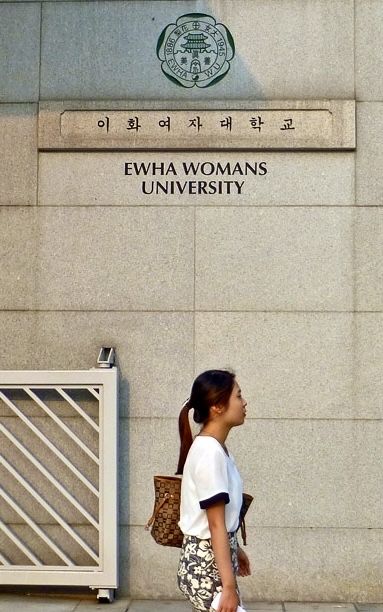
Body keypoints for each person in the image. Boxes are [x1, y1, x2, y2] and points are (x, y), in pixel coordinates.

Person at [176, 369, 251, 612]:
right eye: (238, 396)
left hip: (212, 565)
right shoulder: (210, 453)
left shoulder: (216, 449)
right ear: (218, 406)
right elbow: (215, 524)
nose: (244, 402)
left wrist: (235, 548)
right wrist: (228, 588)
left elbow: (220, 521)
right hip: (206, 569)